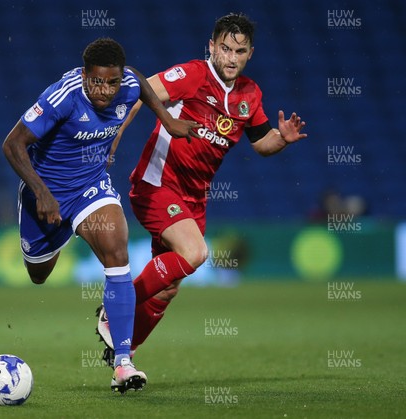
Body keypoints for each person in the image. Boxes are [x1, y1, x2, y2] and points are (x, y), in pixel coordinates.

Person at [96, 13, 307, 366]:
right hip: (157, 184)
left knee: (168, 287)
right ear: (212, 46)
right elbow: (138, 92)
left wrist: (281, 140)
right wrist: (113, 138)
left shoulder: (250, 95)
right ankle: (116, 307)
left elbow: (261, 143)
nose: (230, 57)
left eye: (239, 51)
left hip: (194, 200)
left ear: (249, 53)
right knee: (195, 253)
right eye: (224, 48)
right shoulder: (193, 75)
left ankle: (124, 355)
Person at [2, 37, 200, 393]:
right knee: (38, 274)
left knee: (117, 253)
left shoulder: (126, 84)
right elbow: (12, 144)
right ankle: (55, 238)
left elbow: (139, 81)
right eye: (96, 81)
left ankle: (123, 362)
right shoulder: (62, 96)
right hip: (45, 198)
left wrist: (167, 120)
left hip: (91, 189)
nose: (104, 90)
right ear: (83, 75)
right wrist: (42, 194)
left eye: (111, 81)